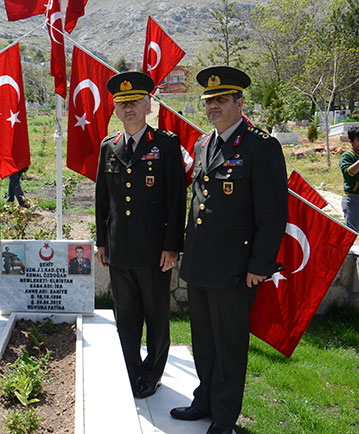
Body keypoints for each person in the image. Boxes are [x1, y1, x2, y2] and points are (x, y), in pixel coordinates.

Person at [172, 66, 288, 434]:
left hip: (236, 269)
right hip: (202, 263)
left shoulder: (261, 147)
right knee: (203, 343)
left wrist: (260, 265)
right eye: (209, 101)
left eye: (222, 99)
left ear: (240, 102)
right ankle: (203, 400)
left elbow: (273, 214)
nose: (213, 107)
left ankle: (224, 418)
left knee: (230, 346)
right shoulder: (203, 144)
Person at [95, 71, 186, 399]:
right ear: (116, 110)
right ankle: (130, 370)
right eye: (122, 104)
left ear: (148, 105)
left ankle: (153, 372)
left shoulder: (164, 144)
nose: (128, 108)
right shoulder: (109, 146)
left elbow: (177, 198)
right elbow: (101, 200)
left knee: (156, 317)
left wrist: (172, 245)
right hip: (119, 250)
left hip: (154, 251)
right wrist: (102, 242)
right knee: (126, 317)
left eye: (134, 102)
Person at [340, 126, 359, 231]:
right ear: (351, 141)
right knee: (352, 233)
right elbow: (349, 173)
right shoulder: (347, 156)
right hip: (353, 199)